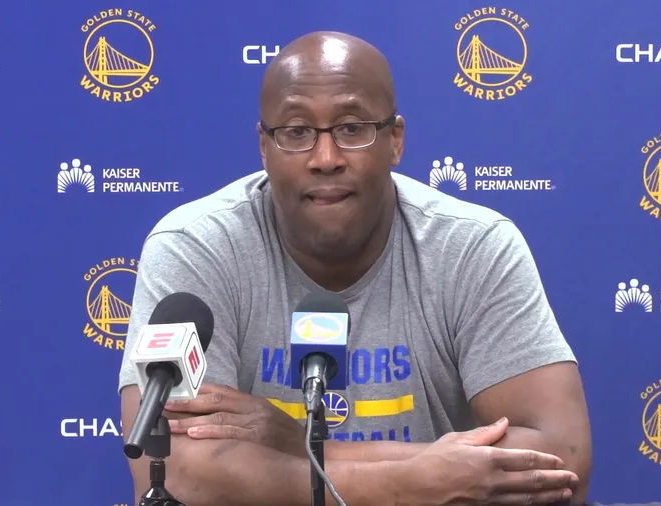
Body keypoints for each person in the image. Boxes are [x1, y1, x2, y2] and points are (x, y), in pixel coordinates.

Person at [118, 30, 592, 506]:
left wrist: (294, 443)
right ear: (264, 147)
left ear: (395, 140)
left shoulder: (472, 246)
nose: (326, 159)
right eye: (296, 132)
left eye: (351, 128)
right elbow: (175, 474)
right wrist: (416, 483)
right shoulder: (195, 246)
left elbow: (560, 459)